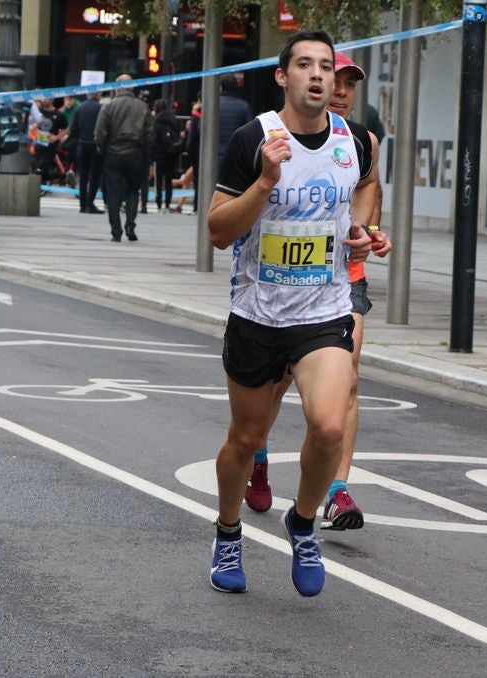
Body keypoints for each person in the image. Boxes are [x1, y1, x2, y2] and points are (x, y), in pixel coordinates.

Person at [205, 31, 375, 597]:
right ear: (284, 76)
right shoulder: (255, 138)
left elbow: (359, 194)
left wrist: (363, 234)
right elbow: (218, 231)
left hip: (323, 311)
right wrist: (264, 183)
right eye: (305, 65)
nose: (319, 75)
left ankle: (302, 522)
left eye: (326, 66)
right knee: (245, 438)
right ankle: (228, 532)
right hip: (257, 313)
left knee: (329, 425)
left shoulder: (356, 142)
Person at [245, 50, 393, 531]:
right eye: (336, 78)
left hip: (340, 279)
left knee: (348, 376)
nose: (343, 90)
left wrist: (366, 231)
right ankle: (259, 454)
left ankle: (336, 491)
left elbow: (370, 189)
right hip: (282, 284)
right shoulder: (273, 136)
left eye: (350, 82)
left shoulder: (363, 141)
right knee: (277, 382)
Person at [95, 74, 153, 242]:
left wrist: (102, 149)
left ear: (117, 88)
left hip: (113, 152)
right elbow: (150, 133)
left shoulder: (109, 107)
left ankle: (116, 230)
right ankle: (130, 224)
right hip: (135, 153)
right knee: (133, 191)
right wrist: (146, 155)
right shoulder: (143, 107)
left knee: (113, 192)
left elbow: (100, 132)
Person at [69, 90, 104, 214]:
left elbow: (73, 128)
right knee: (95, 175)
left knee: (83, 176)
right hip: (95, 145)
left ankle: (82, 204)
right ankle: (90, 203)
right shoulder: (101, 108)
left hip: (82, 144)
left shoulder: (80, 108)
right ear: (97, 95)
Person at [28, 98, 68, 183]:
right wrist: (33, 128)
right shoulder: (39, 113)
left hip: (50, 148)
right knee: (42, 174)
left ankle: (63, 176)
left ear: (52, 100)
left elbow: (67, 129)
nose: (43, 100)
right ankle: (64, 176)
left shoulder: (59, 115)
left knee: (39, 171)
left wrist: (56, 137)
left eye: (46, 98)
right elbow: (36, 123)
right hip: (38, 146)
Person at [151, 98, 180, 214]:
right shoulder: (173, 119)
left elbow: (154, 138)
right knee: (169, 180)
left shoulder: (156, 121)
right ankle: (167, 203)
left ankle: (159, 203)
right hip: (171, 153)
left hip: (159, 154)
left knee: (158, 180)